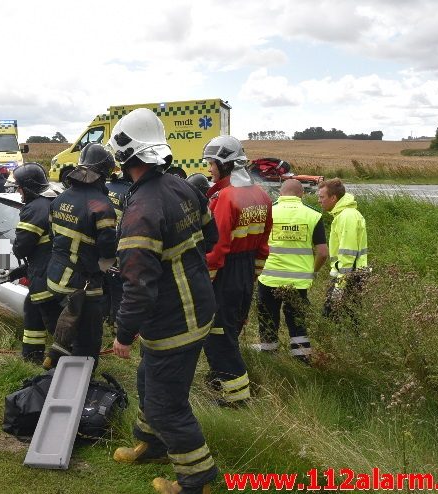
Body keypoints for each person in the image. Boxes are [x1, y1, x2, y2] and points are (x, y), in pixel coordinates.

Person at [109, 108, 219, 494]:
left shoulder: (140, 210)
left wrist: (123, 334)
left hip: (175, 321)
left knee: (167, 405)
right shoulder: (184, 186)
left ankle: (197, 480)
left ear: (125, 156)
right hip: (197, 307)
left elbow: (137, 285)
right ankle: (151, 444)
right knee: (148, 380)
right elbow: (213, 236)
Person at [202, 135, 272, 406]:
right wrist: (251, 276)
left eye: (211, 163)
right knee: (231, 330)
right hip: (245, 273)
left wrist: (205, 283)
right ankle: (219, 379)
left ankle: (235, 397)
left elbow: (217, 247)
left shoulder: (226, 197)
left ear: (224, 164)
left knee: (218, 335)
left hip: (224, 273)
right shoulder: (262, 195)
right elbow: (264, 244)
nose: (209, 169)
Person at [46, 142, 117, 367]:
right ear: (103, 173)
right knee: (88, 339)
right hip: (82, 285)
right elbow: (107, 250)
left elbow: (53, 236)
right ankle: (81, 384)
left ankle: (60, 364)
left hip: (56, 278)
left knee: (69, 328)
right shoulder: (101, 206)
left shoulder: (60, 198)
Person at [255, 179, 328, 363]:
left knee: (268, 320)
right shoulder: (313, 215)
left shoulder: (267, 212)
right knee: (297, 323)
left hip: (269, 278)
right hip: (298, 282)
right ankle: (302, 361)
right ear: (301, 195)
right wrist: (313, 272)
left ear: (280, 193)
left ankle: (269, 359)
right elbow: (322, 253)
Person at [7, 163, 63, 363]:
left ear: (28, 187)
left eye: (19, 187)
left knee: (56, 324)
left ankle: (66, 362)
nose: (18, 192)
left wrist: (16, 247)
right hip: (52, 271)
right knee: (31, 309)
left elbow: (22, 246)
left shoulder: (34, 208)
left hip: (45, 275)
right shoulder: (51, 200)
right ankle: (32, 356)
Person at [317, 178, 368, 322]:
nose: (319, 201)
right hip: (349, 275)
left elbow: (348, 254)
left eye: (322, 197)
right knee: (348, 319)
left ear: (333, 198)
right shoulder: (343, 214)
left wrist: (340, 286)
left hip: (349, 276)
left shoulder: (347, 216)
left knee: (331, 318)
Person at [102, 172, 132, 326]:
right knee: (119, 289)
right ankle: (116, 325)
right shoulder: (131, 192)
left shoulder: (106, 187)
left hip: (101, 244)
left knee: (104, 285)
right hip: (118, 246)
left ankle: (105, 319)